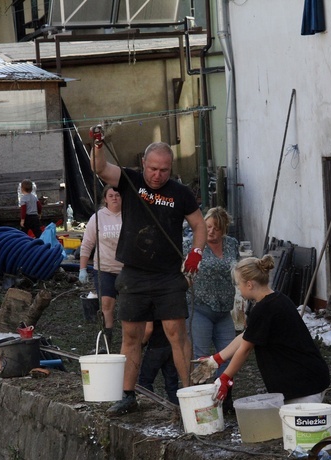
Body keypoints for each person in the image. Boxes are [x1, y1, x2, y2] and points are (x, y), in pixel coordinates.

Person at [90, 128, 207, 417]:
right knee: (131, 335)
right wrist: (97, 144)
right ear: (144, 164)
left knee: (175, 334)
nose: (157, 175)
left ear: (171, 168)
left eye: (164, 170)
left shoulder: (180, 193)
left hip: (168, 275)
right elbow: (100, 167)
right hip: (133, 273)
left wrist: (196, 254)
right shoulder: (129, 180)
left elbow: (200, 226)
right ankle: (128, 395)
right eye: (153, 169)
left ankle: (187, 392)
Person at [193, 255, 331, 405]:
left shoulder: (264, 309)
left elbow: (245, 349)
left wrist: (225, 378)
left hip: (304, 383)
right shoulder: (277, 299)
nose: (238, 288)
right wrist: (216, 359)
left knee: (303, 428)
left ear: (250, 284)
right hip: (307, 377)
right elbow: (247, 336)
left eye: (239, 284)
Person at [185, 207, 239, 408]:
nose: (211, 232)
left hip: (224, 309)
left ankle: (224, 399)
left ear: (223, 229)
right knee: (201, 356)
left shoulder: (232, 244)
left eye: (216, 228)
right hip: (200, 307)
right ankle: (201, 401)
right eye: (208, 227)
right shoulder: (192, 244)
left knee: (228, 356)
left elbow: (237, 268)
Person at [78, 184, 123, 348]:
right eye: (111, 196)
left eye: (117, 195)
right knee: (106, 305)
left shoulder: (130, 215)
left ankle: (131, 341)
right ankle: (106, 342)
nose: (114, 199)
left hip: (127, 270)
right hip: (104, 269)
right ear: (105, 199)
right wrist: (82, 269)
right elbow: (87, 244)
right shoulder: (97, 218)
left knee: (128, 308)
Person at [137, 320, 179, 405]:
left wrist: (141, 344)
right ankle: (177, 407)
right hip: (171, 346)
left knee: (145, 382)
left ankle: (150, 406)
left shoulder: (150, 308)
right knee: (172, 383)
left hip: (155, 346)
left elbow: (149, 329)